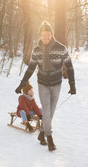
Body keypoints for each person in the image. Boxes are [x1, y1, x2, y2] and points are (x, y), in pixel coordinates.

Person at [15, 21, 76, 151]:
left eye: (48, 34)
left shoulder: (61, 48)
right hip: (42, 84)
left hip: (56, 84)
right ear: (40, 35)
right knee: (46, 112)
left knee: (51, 112)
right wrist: (22, 84)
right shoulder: (36, 50)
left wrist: (72, 84)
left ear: (51, 34)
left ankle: (42, 133)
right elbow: (31, 68)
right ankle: (49, 138)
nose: (46, 37)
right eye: (43, 35)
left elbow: (69, 66)